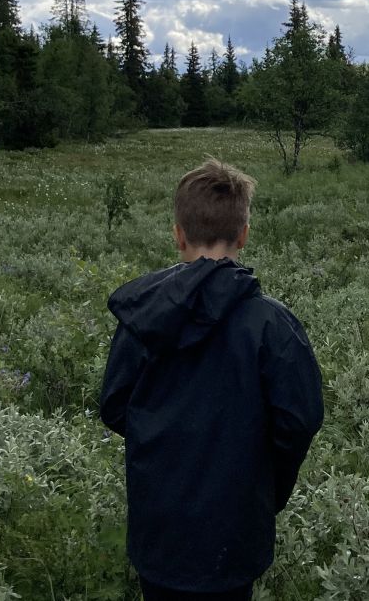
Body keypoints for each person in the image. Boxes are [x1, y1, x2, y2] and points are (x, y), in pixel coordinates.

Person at [100, 158, 324, 601]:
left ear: (178, 234)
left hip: (159, 529)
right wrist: (262, 486)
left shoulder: (141, 318)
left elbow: (114, 406)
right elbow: (299, 420)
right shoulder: (271, 325)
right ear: (243, 234)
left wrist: (166, 451)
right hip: (235, 531)